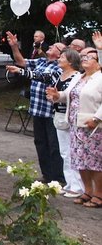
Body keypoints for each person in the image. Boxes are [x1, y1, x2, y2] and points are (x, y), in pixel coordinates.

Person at [5, 32, 66, 185]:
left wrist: (21, 72)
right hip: (37, 110)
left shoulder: (60, 68)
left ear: (60, 54)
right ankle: (47, 175)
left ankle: (58, 178)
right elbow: (21, 61)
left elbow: (43, 77)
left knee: (54, 146)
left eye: (55, 46)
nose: (50, 46)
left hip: (51, 113)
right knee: (40, 143)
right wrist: (14, 46)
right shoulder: (42, 61)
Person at [47, 47, 102, 208]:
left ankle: (99, 194)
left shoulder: (100, 78)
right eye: (84, 57)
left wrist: (97, 118)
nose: (85, 59)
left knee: (95, 161)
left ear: (98, 63)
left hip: (93, 126)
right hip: (75, 124)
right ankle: (87, 191)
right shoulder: (79, 77)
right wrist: (57, 95)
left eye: (90, 58)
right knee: (80, 160)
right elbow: (68, 95)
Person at [42, 49, 85, 198]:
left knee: (73, 152)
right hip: (59, 115)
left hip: (71, 117)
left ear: (71, 61)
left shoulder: (77, 77)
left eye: (62, 57)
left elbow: (73, 96)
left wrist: (58, 96)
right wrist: (53, 96)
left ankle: (78, 186)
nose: (59, 59)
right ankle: (69, 184)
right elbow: (60, 95)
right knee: (65, 152)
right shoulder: (60, 75)